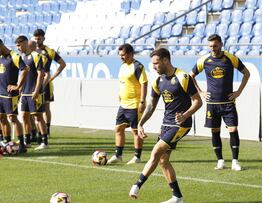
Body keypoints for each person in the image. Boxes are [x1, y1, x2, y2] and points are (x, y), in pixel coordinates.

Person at [129, 48, 202, 203]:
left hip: (181, 124)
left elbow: (198, 101)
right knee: (163, 160)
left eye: (156, 63)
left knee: (155, 152)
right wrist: (141, 123)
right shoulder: (157, 81)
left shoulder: (183, 77)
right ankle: (177, 197)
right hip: (166, 123)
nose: (154, 67)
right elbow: (151, 106)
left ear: (165, 60)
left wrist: (185, 115)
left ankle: (137, 185)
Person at [190, 34, 250, 171]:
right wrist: (200, 92)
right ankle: (220, 161)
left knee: (233, 129)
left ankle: (235, 161)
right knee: (215, 131)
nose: (213, 48)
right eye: (210, 46)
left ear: (221, 44)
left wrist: (239, 92)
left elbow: (247, 73)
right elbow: (191, 76)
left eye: (215, 46)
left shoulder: (230, 58)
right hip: (212, 104)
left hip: (228, 103)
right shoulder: (204, 60)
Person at [0, 38, 28, 153]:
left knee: (12, 118)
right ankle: (7, 143)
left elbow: (24, 69)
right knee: (1, 118)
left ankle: (22, 144)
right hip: (0, 93)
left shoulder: (14, 56)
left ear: (2, 45)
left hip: (10, 94)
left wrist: (18, 86)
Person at [107, 43, 148, 165]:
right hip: (123, 104)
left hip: (134, 104)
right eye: (120, 55)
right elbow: (123, 82)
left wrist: (142, 101)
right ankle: (118, 155)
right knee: (118, 128)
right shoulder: (123, 66)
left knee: (136, 131)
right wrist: (119, 93)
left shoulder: (138, 66)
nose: (121, 57)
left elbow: (144, 83)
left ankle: (137, 157)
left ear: (131, 54)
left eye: (123, 55)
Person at [15, 36, 49, 150]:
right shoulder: (22, 57)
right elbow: (21, 74)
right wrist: (19, 88)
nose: (18, 48)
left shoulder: (36, 56)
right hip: (24, 92)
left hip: (34, 92)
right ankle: (27, 140)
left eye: (19, 45)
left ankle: (44, 141)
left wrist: (37, 90)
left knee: (38, 116)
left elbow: (41, 74)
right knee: (24, 116)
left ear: (25, 43)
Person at [33, 29, 66, 138]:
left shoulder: (49, 51)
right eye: (36, 38)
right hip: (33, 82)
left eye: (39, 38)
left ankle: (47, 130)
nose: (37, 41)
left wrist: (52, 77)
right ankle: (37, 131)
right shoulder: (32, 51)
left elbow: (62, 64)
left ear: (43, 38)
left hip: (46, 83)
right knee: (34, 108)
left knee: (46, 107)